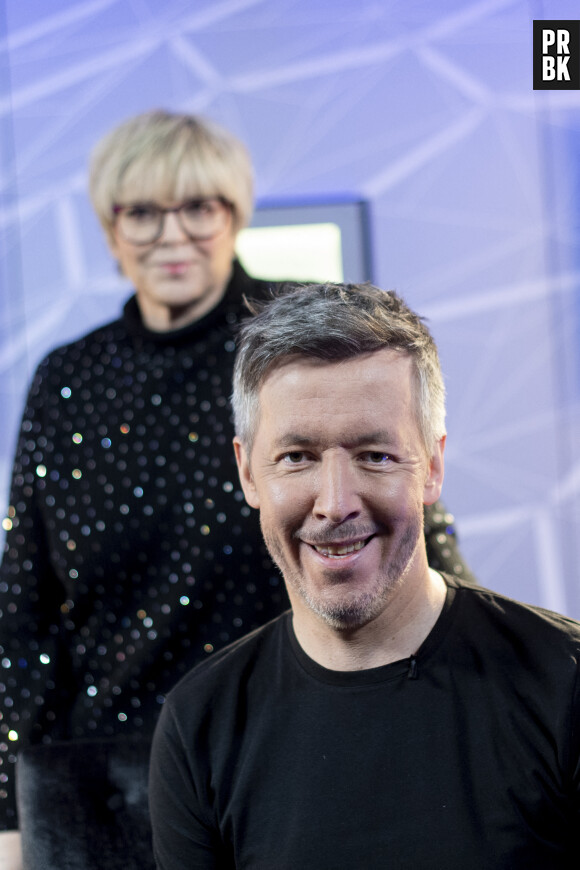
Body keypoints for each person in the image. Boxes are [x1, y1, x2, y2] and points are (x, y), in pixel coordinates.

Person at [0, 112, 473, 845]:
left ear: (235, 213)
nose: (172, 234)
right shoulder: (68, 377)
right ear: (109, 228)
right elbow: (24, 610)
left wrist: (477, 692)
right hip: (95, 791)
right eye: (143, 212)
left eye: (198, 205)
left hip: (283, 747)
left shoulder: (301, 343)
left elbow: (407, 522)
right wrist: (8, 818)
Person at [149, 282, 580, 870]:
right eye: (297, 457)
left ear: (431, 467)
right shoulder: (198, 726)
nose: (334, 504)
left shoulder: (565, 684)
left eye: (374, 456)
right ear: (248, 473)